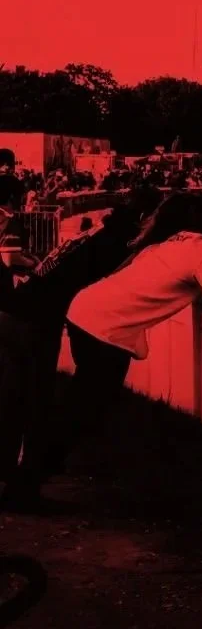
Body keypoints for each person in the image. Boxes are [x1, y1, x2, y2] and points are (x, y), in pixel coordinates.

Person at [55, 193, 202, 485]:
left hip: (85, 311)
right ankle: (30, 476)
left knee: (83, 404)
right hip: (105, 328)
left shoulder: (177, 240)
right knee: (85, 409)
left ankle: (44, 464)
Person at [0, 188, 162, 509]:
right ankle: (23, 490)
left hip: (15, 310)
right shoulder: (118, 245)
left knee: (12, 400)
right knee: (36, 403)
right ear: (144, 218)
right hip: (34, 321)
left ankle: (10, 475)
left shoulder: (99, 231)